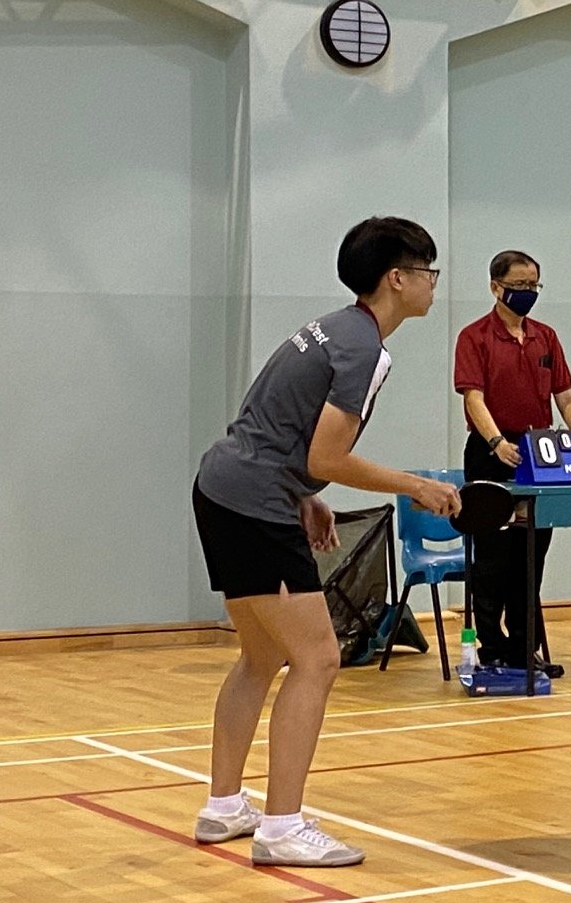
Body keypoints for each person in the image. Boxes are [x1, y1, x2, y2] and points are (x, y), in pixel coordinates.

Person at [191, 217, 462, 865]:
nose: (433, 285)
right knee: (317, 659)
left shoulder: (328, 330)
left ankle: (223, 806)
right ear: (398, 278)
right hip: (252, 503)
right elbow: (329, 452)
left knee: (261, 657)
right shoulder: (363, 348)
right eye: (429, 272)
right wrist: (415, 486)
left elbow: (272, 426)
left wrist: (305, 495)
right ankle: (282, 828)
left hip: (222, 487)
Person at [454, 250, 571, 675]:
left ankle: (524, 648)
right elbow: (473, 396)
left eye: (534, 286)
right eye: (519, 287)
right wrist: (495, 441)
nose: (527, 293)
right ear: (497, 288)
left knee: (531, 555)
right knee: (493, 556)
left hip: (539, 454)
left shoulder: (545, 338)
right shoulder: (474, 337)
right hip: (491, 453)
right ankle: (491, 648)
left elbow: (564, 395)